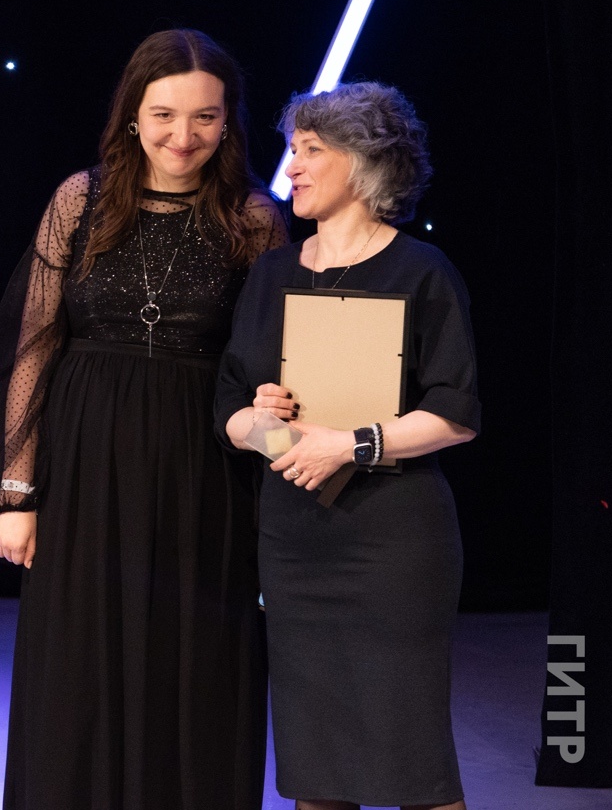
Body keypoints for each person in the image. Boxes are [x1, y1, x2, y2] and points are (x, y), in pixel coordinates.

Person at [0, 29, 288, 809]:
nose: (183, 136)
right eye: (164, 114)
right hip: (83, 467)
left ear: (228, 121)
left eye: (205, 117)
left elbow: (273, 359)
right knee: (77, 671)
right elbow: (33, 344)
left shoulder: (254, 217)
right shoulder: (82, 198)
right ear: (133, 115)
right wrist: (16, 492)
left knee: (194, 667)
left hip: (203, 473)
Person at [216, 82, 479, 810]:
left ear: (364, 162)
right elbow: (230, 407)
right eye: (291, 149)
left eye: (310, 150)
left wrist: (351, 444)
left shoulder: (423, 271)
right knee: (316, 764)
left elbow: (456, 413)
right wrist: (268, 423)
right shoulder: (272, 272)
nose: (291, 167)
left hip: (393, 543)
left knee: (415, 762)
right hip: (296, 541)